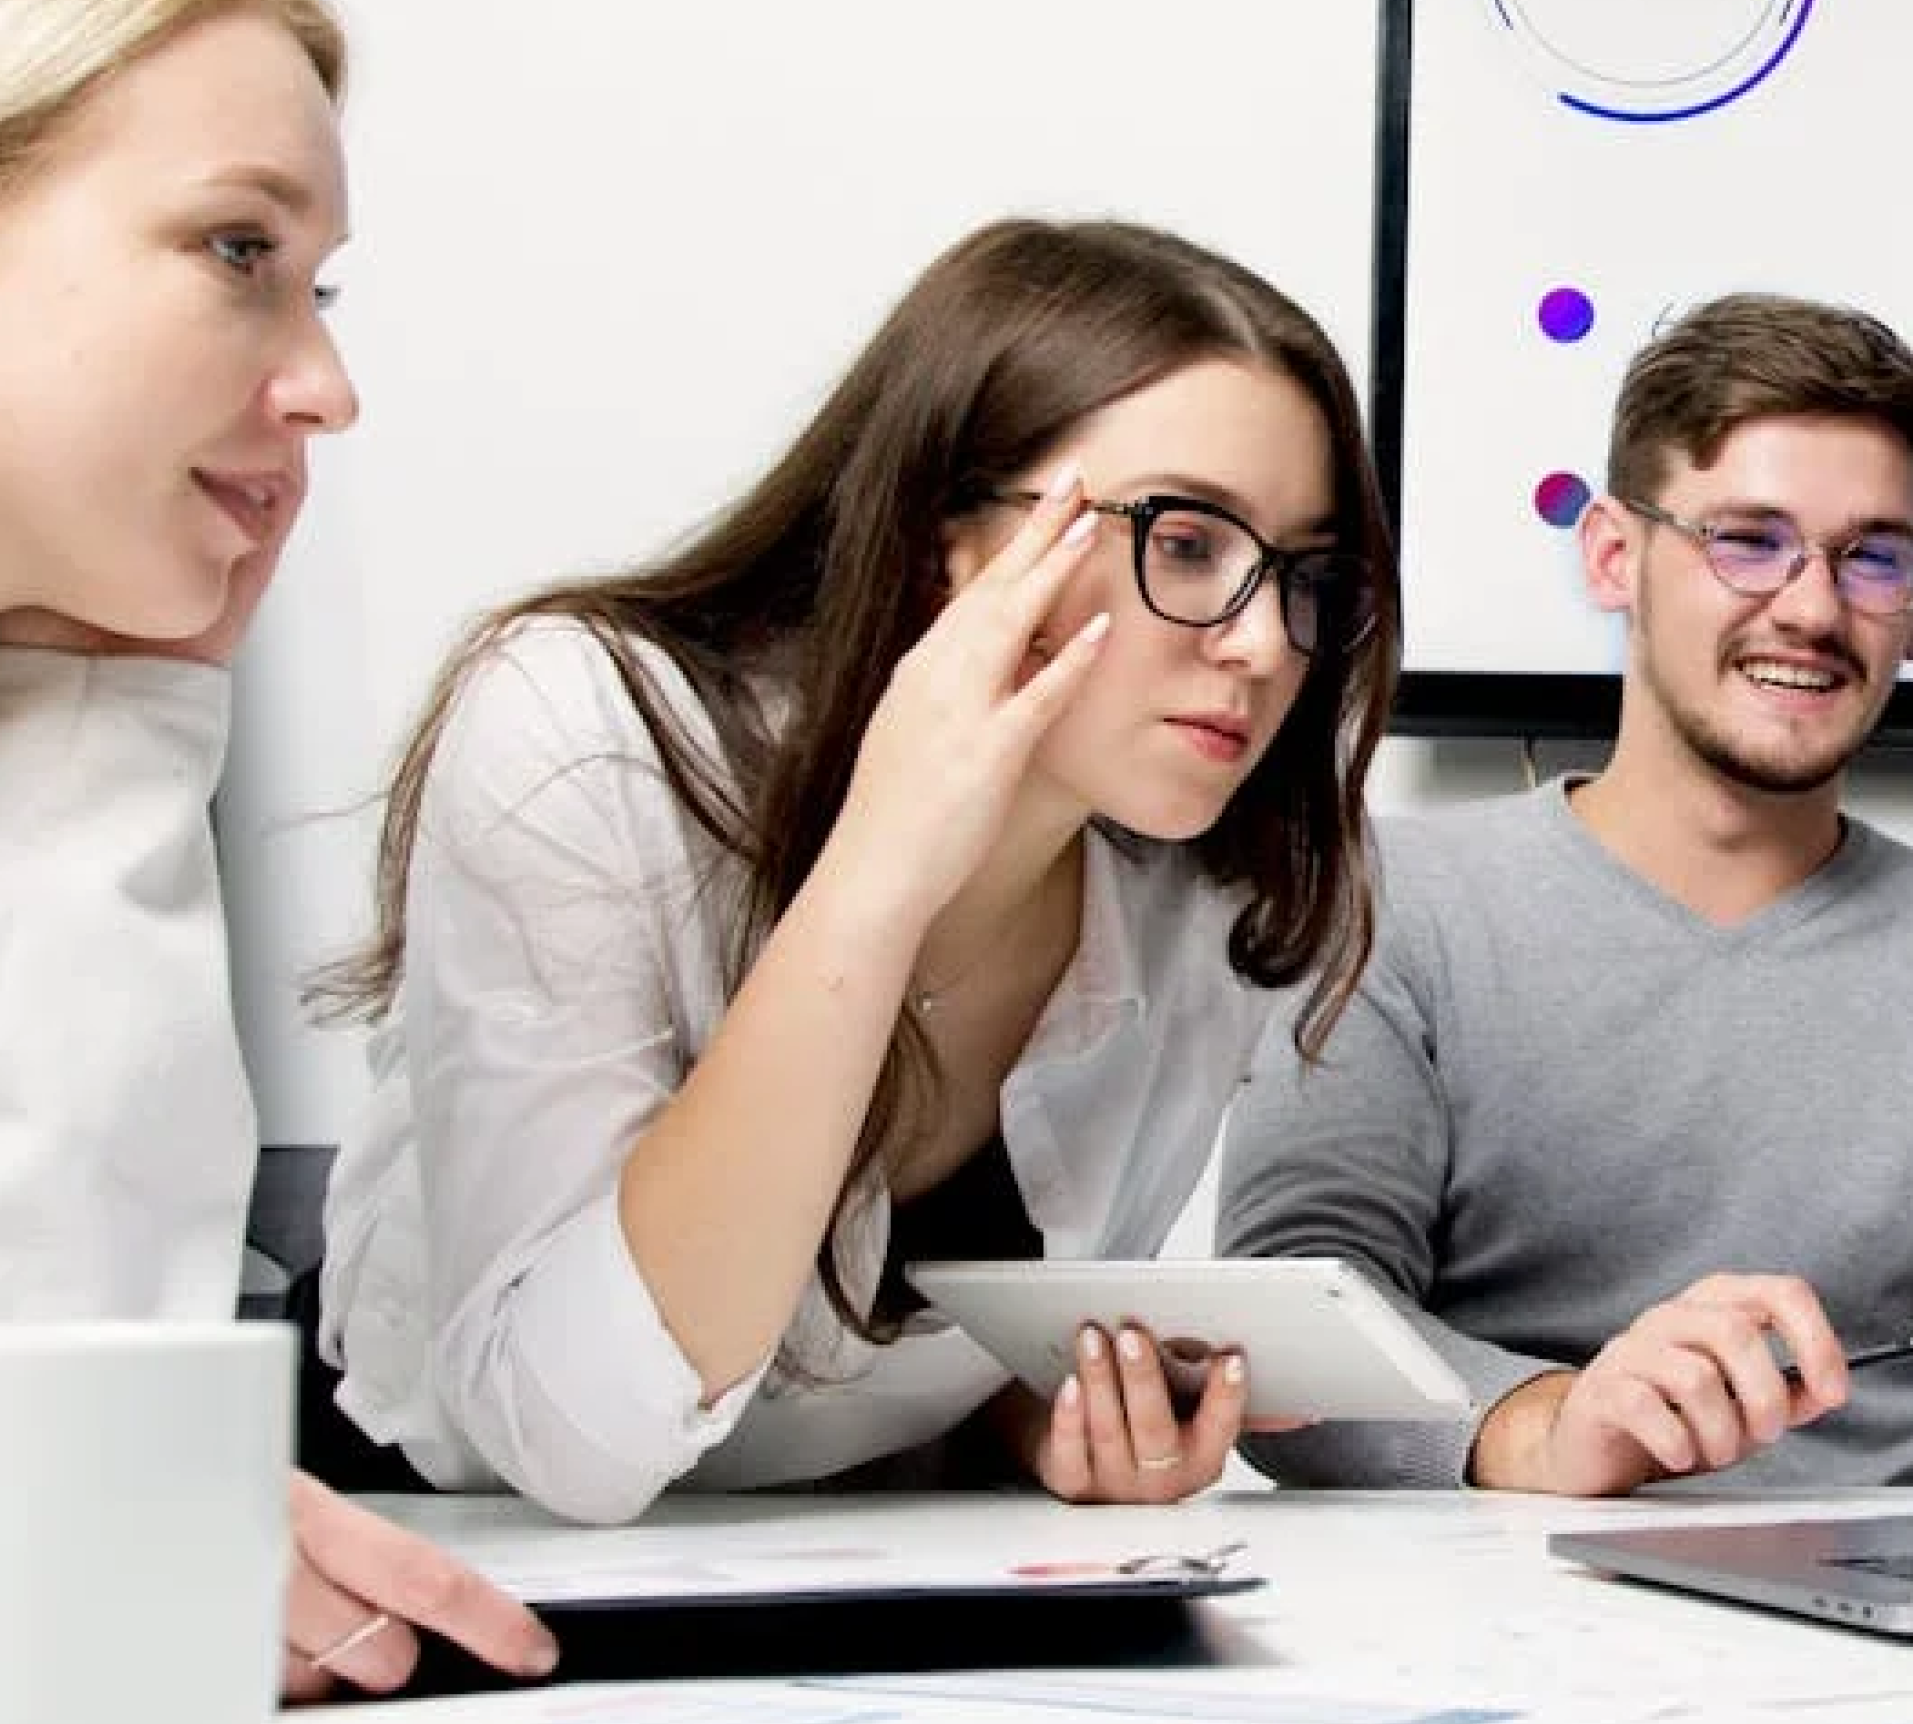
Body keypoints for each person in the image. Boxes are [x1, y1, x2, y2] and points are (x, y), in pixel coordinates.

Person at [309, 217, 1398, 1526]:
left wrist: (1040, 1414)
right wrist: (882, 870)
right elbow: (574, 1436)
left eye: (1306, 576)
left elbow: (868, 1368)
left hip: (853, 1580)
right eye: (1185, 544)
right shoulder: (583, 732)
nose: (1266, 644)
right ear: (955, 537)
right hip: (457, 1554)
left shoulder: (1201, 903)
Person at [0, 0, 551, 1699]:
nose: (325, 387)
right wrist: (26, 1535)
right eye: (237, 255)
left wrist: (106, 717)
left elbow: (29, 1436)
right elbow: (3, 1527)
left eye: (318, 286)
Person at [1219, 293, 1913, 1495]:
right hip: (1505, 1597)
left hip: (1909, 1607)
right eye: (1748, 539)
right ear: (1614, 555)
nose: (1814, 608)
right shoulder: (1391, 907)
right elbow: (1290, 1338)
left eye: (1872, 555)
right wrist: (1552, 1428)